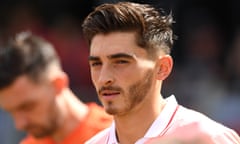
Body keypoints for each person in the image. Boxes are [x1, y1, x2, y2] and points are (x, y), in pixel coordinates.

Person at [81, 2, 240, 144]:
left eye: (121, 62)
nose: (104, 78)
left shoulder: (209, 138)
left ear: (162, 68)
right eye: (96, 64)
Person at [0, 32, 113, 144]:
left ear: (58, 84)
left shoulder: (116, 134)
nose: (19, 124)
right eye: (11, 112)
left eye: (28, 106)